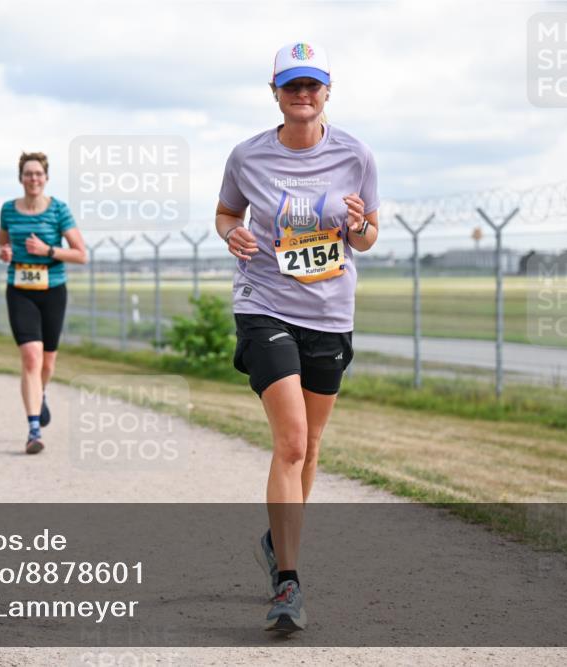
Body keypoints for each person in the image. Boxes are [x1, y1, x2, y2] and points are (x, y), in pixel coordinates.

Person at [216, 42, 379, 634]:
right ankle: (288, 581)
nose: (302, 94)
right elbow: (226, 213)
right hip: (265, 306)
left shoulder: (356, 154)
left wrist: (357, 228)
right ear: (276, 93)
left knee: (310, 447)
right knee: (290, 443)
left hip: (329, 314)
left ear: (327, 91)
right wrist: (232, 234)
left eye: (312, 85)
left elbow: (368, 235)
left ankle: (277, 542)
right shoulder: (248, 156)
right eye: (292, 85)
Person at [0, 152, 87, 455]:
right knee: (31, 358)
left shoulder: (58, 210)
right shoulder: (8, 210)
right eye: (28, 173)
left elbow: (80, 254)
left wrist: (47, 250)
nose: (33, 178)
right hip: (19, 290)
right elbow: (0, 245)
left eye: (38, 174)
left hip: (53, 290)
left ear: (46, 178)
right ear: (20, 178)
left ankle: (41, 392)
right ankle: (34, 430)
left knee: (47, 362)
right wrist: (4, 253)